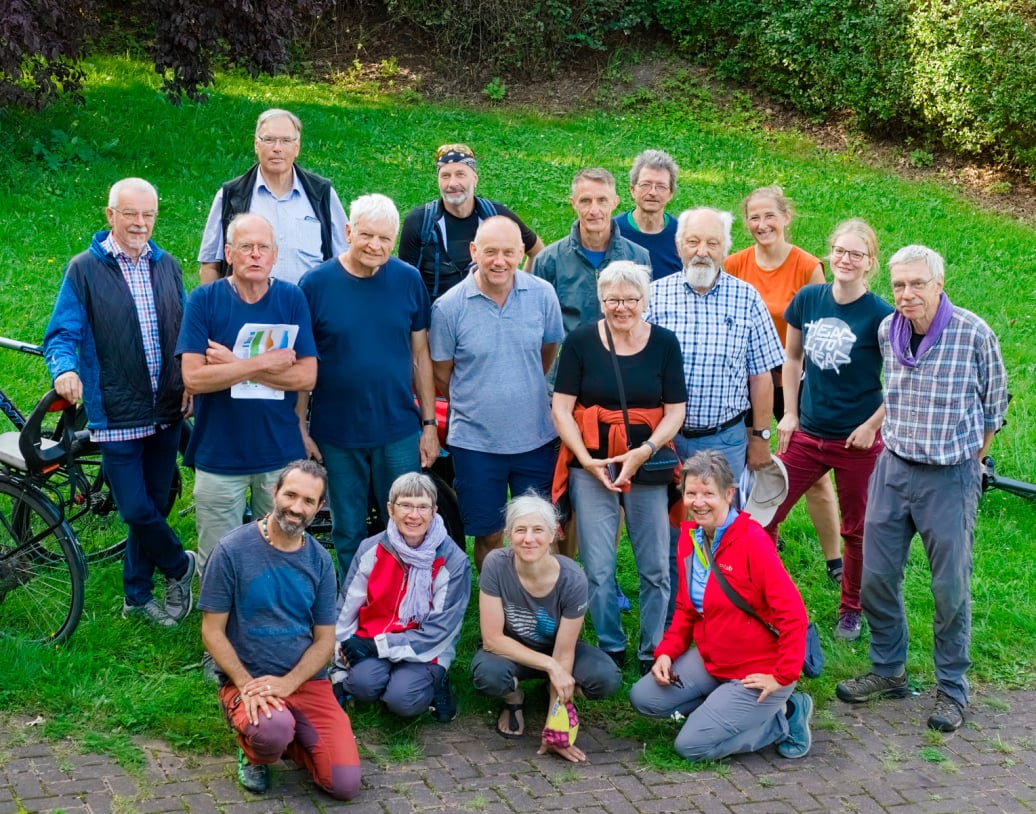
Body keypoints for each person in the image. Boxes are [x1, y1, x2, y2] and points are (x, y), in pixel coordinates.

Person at [836, 245, 1007, 733]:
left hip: (950, 476)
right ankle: (889, 671)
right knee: (875, 577)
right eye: (899, 285)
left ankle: (952, 689)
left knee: (949, 588)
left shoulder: (973, 333)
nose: (907, 294)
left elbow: (994, 408)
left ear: (939, 284)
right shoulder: (888, 330)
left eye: (917, 284)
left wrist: (971, 461)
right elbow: (893, 393)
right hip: (893, 469)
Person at [43, 177, 196, 627]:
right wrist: (64, 369)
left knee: (154, 505)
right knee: (135, 508)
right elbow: (61, 333)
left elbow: (186, 331)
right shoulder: (84, 269)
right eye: (130, 214)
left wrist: (190, 378)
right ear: (110, 215)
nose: (140, 223)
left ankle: (137, 596)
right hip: (116, 412)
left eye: (148, 214)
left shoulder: (167, 266)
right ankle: (181, 566)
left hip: (167, 408)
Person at [647, 207, 785, 619]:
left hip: (725, 438)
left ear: (725, 248)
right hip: (666, 440)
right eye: (693, 242)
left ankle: (722, 612)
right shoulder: (655, 296)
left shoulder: (747, 299)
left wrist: (760, 437)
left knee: (721, 528)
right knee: (670, 531)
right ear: (679, 246)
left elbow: (762, 376)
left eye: (712, 243)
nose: (702, 251)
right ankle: (675, 616)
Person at [630, 451, 813, 762]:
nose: (698, 502)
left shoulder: (752, 540)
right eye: (691, 493)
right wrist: (666, 652)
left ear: (729, 494)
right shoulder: (690, 536)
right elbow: (686, 608)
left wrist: (782, 676)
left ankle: (786, 714)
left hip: (759, 667)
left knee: (691, 747)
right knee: (644, 698)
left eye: (708, 494)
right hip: (713, 658)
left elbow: (793, 615)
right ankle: (724, 707)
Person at [551, 261, 686, 674]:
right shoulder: (580, 341)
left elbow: (675, 411)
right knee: (598, 567)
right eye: (613, 299)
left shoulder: (664, 343)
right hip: (593, 464)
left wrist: (645, 450)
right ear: (601, 300)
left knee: (656, 567)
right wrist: (585, 459)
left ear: (645, 301)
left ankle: (652, 649)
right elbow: (562, 408)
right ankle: (611, 644)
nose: (622, 307)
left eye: (630, 299)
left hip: (646, 464)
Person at [199, 460, 361, 799]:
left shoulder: (320, 561)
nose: (296, 508)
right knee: (272, 730)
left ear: (319, 507)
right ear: (274, 492)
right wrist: (245, 684)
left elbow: (325, 640)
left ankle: (291, 738)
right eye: (290, 495)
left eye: (308, 501)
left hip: (306, 681)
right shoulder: (231, 550)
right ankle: (254, 750)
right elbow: (212, 631)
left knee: (344, 784)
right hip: (251, 679)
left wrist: (289, 682)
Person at [764, 220, 893, 641]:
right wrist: (790, 414)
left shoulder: (881, 316)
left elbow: (902, 382)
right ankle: (770, 600)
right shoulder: (809, 298)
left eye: (856, 254)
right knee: (763, 514)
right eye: (840, 250)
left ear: (870, 262)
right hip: (808, 432)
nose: (845, 259)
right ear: (830, 253)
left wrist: (871, 426)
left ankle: (851, 609)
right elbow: (792, 359)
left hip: (856, 441)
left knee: (857, 530)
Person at [298, 193, 440, 578]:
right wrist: (300, 426)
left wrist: (429, 425)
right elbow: (302, 363)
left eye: (384, 238)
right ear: (348, 231)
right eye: (366, 235)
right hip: (337, 431)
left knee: (406, 522)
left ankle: (403, 594)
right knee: (348, 527)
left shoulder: (408, 280)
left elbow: (421, 355)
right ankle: (353, 598)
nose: (375, 245)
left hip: (398, 429)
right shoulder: (315, 285)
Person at [177, 213, 317, 572]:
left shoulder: (291, 298)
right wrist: (264, 362)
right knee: (217, 561)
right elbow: (194, 379)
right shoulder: (204, 300)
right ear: (228, 253)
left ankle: (270, 610)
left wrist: (230, 365)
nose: (255, 254)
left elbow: (307, 376)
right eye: (246, 247)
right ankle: (219, 613)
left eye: (263, 247)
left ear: (275, 254)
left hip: (279, 453)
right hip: (219, 454)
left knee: (280, 556)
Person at [430, 217, 564, 571]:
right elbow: (442, 373)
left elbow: (547, 352)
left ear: (521, 253)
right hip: (475, 443)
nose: (499, 261)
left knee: (537, 530)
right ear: (474, 251)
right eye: (490, 252)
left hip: (534, 438)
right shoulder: (448, 307)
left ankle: (534, 597)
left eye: (508, 252)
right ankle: (495, 597)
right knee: (489, 534)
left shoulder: (543, 295)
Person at [724, 186, 842, 585]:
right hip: (747, 380)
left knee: (813, 473)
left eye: (769, 216)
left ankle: (834, 559)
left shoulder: (807, 267)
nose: (762, 225)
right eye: (754, 218)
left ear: (786, 217)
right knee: (743, 464)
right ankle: (747, 543)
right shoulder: (735, 264)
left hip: (793, 379)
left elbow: (819, 331)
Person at [471, 493, 622, 762]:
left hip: (557, 649)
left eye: (538, 530)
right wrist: (551, 667)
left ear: (553, 534)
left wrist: (556, 725)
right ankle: (514, 698)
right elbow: (492, 640)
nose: (529, 538)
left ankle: (555, 694)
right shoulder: (495, 564)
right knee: (487, 675)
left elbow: (564, 653)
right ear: (508, 534)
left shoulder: (573, 578)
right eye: (520, 530)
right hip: (510, 652)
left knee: (606, 678)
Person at [332, 472, 471, 721]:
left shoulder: (453, 561)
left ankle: (437, 681)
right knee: (362, 686)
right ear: (390, 509)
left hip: (425, 648)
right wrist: (339, 670)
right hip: (374, 636)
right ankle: (386, 677)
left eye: (423, 507)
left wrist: (376, 646)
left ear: (434, 511)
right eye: (405, 505)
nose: (414, 515)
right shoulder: (370, 549)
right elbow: (346, 609)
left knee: (402, 700)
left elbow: (439, 631)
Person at [198, 108, 347, 285]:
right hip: (246, 302)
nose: (277, 148)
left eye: (286, 141)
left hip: (309, 302)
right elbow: (210, 266)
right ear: (256, 145)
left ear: (297, 147)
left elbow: (346, 261)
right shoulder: (231, 196)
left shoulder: (322, 194)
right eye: (269, 140)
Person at [398, 142, 544, 300]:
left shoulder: (496, 216)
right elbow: (405, 283)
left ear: (475, 179)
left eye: (460, 174)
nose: (453, 183)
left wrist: (520, 293)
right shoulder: (420, 222)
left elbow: (538, 251)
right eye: (445, 176)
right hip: (434, 313)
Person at [531, 168, 651, 337]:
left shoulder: (638, 257)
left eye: (602, 200)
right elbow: (536, 322)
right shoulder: (548, 260)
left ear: (615, 202)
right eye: (585, 201)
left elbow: (645, 317)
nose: (594, 210)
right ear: (573, 203)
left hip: (623, 352)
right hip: (570, 353)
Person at [614, 150, 682, 280]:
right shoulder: (612, 232)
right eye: (645, 185)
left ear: (670, 194)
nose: (653, 192)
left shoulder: (682, 235)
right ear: (633, 190)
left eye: (661, 186)